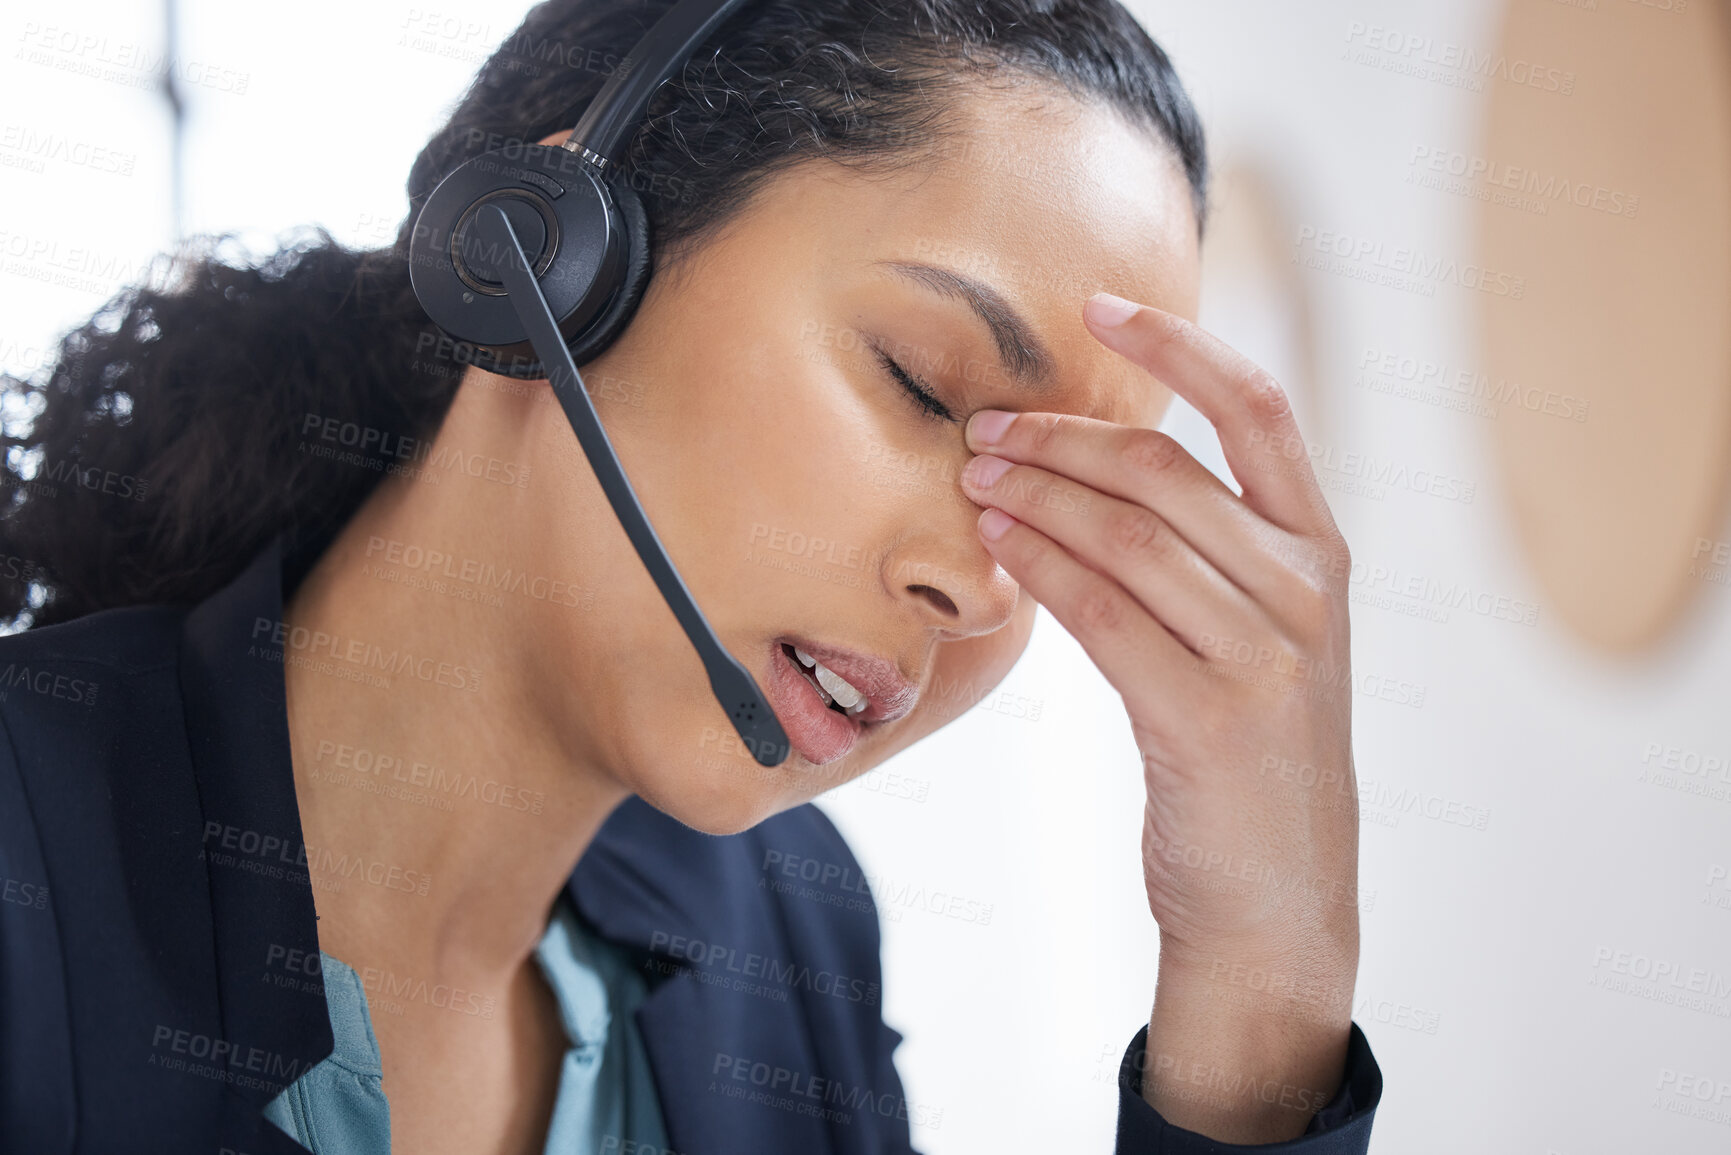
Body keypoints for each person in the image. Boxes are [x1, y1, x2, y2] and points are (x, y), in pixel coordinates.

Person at [0, 1, 1382, 1152]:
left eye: (1067, 499)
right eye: (922, 381)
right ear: (539, 257)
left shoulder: (788, 938)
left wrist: (1263, 967)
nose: (991, 588)